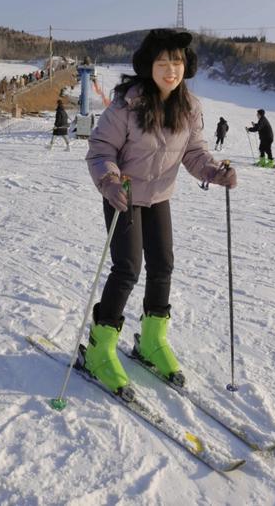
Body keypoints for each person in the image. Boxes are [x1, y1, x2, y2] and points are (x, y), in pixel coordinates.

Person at [84, 28, 237, 395]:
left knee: (163, 264)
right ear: (148, 66)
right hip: (123, 195)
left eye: (178, 62)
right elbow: (100, 149)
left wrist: (214, 172)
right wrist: (109, 181)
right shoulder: (127, 105)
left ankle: (152, 339)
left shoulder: (188, 107)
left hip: (159, 197)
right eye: (163, 62)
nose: (171, 69)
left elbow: (194, 152)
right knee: (127, 268)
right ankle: (99, 346)